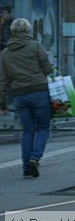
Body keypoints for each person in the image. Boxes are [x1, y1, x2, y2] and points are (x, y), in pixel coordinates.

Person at [0, 18, 54, 178]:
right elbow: (47, 68)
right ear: (28, 31)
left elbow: (2, 80)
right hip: (39, 92)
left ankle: (25, 168)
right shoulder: (35, 46)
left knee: (28, 131)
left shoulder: (5, 53)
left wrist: (2, 102)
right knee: (43, 127)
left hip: (19, 95)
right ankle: (35, 158)